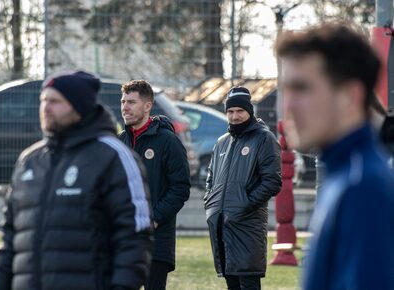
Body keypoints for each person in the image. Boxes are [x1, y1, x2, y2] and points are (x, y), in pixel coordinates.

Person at [0, 71, 152, 290]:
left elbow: (134, 239)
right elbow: (9, 243)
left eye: (55, 101)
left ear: (79, 107)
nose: (46, 108)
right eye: (43, 100)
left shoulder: (114, 157)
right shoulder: (29, 161)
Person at [277, 24, 394, 290]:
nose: (289, 106)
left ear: (350, 96)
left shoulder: (364, 186)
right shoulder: (345, 174)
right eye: (287, 91)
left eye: (302, 89)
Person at [204, 86, 282, 290]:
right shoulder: (221, 143)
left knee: (248, 281)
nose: (235, 116)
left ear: (250, 111)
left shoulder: (264, 138)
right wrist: (210, 203)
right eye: (230, 111)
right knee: (231, 282)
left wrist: (243, 205)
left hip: (247, 226)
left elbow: (272, 181)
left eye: (240, 111)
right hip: (222, 225)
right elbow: (211, 178)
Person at [119, 80, 191, 290]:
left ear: (147, 106)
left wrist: (155, 219)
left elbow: (180, 188)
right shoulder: (120, 141)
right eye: (123, 101)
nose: (125, 107)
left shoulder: (168, 141)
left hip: (156, 241)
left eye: (131, 102)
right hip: (125, 239)